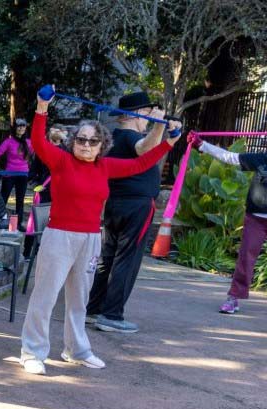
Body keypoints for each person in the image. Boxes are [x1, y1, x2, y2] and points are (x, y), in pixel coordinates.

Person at [19, 88, 176, 375]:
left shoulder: (105, 167)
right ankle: (32, 352)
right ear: (73, 142)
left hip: (91, 238)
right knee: (45, 296)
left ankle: (77, 350)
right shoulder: (61, 161)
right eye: (81, 139)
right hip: (59, 237)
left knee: (79, 300)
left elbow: (141, 163)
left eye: (93, 141)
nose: (86, 145)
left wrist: (168, 143)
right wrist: (42, 106)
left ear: (102, 144)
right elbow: (38, 142)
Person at [86, 91, 178, 333]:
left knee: (109, 257)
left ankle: (94, 309)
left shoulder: (115, 138)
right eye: (148, 114)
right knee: (127, 258)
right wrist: (159, 127)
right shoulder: (128, 136)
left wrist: (160, 129)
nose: (149, 119)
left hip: (117, 204)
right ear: (138, 114)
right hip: (135, 205)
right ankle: (112, 315)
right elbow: (143, 149)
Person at [190, 133, 267, 315]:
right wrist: (202, 146)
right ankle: (234, 298)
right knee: (246, 257)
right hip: (256, 218)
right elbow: (230, 157)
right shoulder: (261, 158)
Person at [0, 118, 34, 227]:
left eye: (23, 126)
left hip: (23, 175)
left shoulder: (29, 143)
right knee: (3, 198)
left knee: (20, 200)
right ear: (14, 128)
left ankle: (18, 224)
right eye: (19, 126)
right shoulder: (8, 142)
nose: (21, 128)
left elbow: (39, 154)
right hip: (9, 174)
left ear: (25, 128)